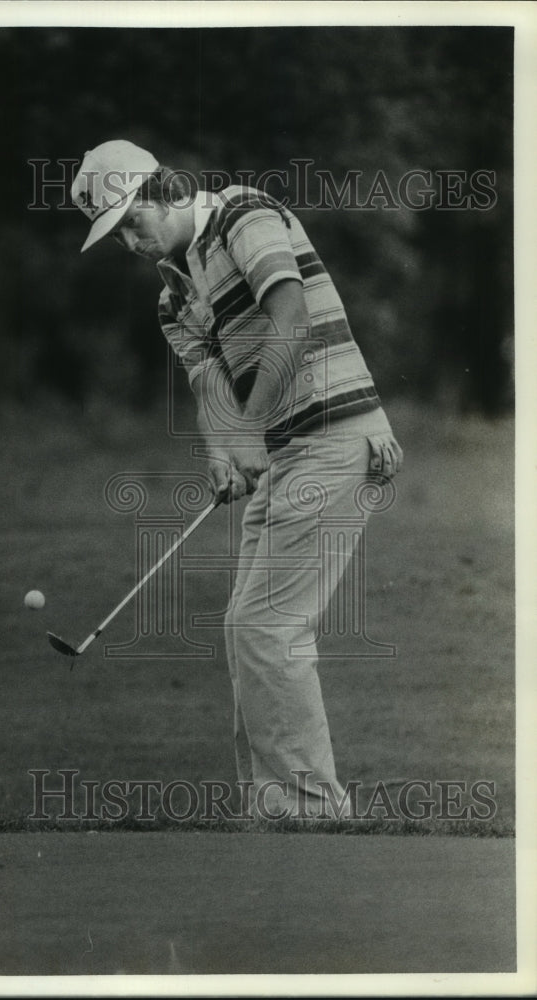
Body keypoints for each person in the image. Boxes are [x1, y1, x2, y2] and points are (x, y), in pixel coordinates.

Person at [71, 139, 403, 819]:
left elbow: (291, 319)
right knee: (243, 627)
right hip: (286, 453)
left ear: (163, 190)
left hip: (334, 439)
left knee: (265, 625)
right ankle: (273, 803)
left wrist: (249, 432)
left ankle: (309, 808)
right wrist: (225, 451)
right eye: (119, 235)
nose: (132, 243)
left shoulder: (242, 214)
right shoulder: (174, 297)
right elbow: (208, 385)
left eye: (134, 221)